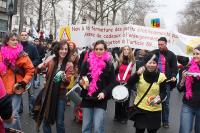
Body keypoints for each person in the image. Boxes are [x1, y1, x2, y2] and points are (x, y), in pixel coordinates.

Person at [34, 40, 72, 133]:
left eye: (66, 49)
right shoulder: (51, 60)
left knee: (59, 122)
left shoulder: (69, 64)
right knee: (46, 119)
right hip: (48, 93)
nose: (63, 51)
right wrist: (42, 64)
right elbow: (38, 70)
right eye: (61, 49)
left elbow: (67, 82)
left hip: (61, 95)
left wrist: (64, 78)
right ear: (58, 50)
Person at [79, 40, 116, 133]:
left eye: (101, 49)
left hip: (101, 99)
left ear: (105, 50)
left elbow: (113, 82)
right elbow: (81, 78)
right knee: (86, 127)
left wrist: (104, 92)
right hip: (88, 98)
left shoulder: (109, 65)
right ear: (93, 50)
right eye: (96, 49)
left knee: (97, 127)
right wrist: (83, 83)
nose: (99, 51)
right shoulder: (87, 63)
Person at [0, 32, 34, 130]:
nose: (15, 42)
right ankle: (17, 131)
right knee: (8, 115)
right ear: (7, 41)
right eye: (12, 40)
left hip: (16, 88)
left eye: (16, 40)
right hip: (3, 90)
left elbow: (30, 69)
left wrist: (23, 82)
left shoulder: (22, 54)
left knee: (12, 114)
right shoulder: (1, 53)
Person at [127, 53, 167, 133]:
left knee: (152, 131)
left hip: (154, 109)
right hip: (140, 108)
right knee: (139, 130)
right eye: (149, 62)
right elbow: (129, 83)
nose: (152, 65)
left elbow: (163, 92)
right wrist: (137, 74)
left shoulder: (161, 76)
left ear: (156, 64)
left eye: (154, 63)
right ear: (145, 63)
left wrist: (157, 100)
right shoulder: (140, 74)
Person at [152, 37, 178, 128]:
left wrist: (174, 76)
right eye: (159, 44)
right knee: (154, 100)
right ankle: (154, 120)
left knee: (165, 102)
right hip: (154, 82)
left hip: (166, 82)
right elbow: (147, 61)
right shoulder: (154, 53)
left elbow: (175, 68)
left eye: (162, 44)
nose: (160, 46)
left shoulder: (171, 55)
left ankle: (165, 121)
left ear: (166, 44)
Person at [177, 45, 200, 133]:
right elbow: (179, 88)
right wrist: (183, 79)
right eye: (193, 54)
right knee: (184, 131)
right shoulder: (187, 69)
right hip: (188, 105)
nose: (194, 56)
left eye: (197, 54)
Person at [113, 45, 136, 124]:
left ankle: (124, 117)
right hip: (118, 82)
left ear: (130, 51)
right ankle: (117, 115)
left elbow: (134, 74)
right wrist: (112, 60)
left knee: (126, 101)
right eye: (124, 49)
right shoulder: (119, 60)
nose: (126, 51)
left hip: (127, 83)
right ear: (122, 51)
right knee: (118, 99)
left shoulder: (133, 62)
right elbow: (113, 68)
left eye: (127, 49)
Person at [20, 31, 40, 115]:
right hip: (19, 74)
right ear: (20, 36)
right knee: (19, 92)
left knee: (31, 93)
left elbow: (37, 59)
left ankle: (31, 110)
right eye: (22, 35)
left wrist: (30, 65)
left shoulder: (32, 47)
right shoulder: (17, 47)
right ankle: (19, 110)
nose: (24, 36)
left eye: (25, 35)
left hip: (29, 74)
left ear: (27, 37)